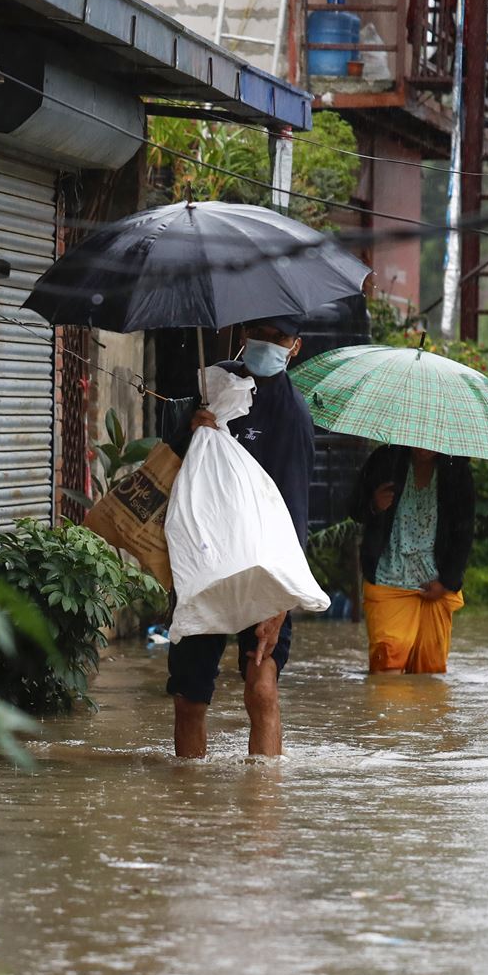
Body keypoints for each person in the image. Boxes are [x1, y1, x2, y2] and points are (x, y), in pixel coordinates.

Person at [161, 316, 314, 759]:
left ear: (294, 347)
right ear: (244, 334)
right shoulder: (214, 386)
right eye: (259, 333)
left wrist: (281, 604)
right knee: (190, 696)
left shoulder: (292, 415)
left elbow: (294, 515)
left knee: (261, 687)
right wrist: (194, 431)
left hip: (264, 570)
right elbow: (174, 468)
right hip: (206, 560)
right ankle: (190, 809)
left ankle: (262, 810)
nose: (266, 343)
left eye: (277, 338)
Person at [352, 444, 473, 674]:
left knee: (429, 676)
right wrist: (374, 505)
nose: (424, 449)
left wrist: (446, 582)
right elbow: (354, 508)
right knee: (386, 670)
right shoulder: (385, 460)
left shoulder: (455, 470)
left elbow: (464, 534)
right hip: (388, 576)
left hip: (434, 582)